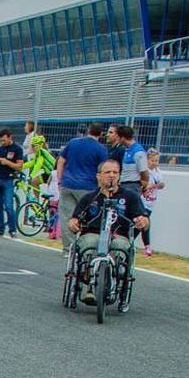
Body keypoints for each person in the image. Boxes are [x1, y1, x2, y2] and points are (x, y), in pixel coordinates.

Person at [68, 160, 150, 305]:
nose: (111, 176)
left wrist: (142, 221)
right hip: (93, 234)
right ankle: (90, 284)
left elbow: (142, 217)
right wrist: (73, 223)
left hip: (119, 235)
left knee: (120, 247)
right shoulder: (89, 197)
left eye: (115, 172)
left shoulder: (130, 197)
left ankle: (114, 280)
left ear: (119, 176)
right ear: (98, 176)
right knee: (89, 244)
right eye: (107, 172)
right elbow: (74, 219)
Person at [56, 122, 109, 256]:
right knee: (91, 217)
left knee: (67, 217)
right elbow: (103, 169)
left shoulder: (73, 143)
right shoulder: (101, 149)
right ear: (101, 134)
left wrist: (60, 180)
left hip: (68, 184)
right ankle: (87, 247)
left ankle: (68, 249)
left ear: (88, 131)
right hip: (88, 187)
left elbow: (61, 161)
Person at [0, 127, 24, 238]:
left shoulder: (17, 149)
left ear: (10, 138)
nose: (2, 143)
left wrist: (7, 162)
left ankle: (12, 229)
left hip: (8, 179)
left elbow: (19, 166)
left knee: (8, 205)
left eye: (4, 140)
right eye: (1, 141)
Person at [141, 148, 165, 256]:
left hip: (150, 202)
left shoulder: (158, 172)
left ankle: (141, 244)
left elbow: (161, 184)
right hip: (142, 201)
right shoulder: (144, 172)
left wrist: (156, 185)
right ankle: (147, 246)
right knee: (145, 222)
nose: (154, 163)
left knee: (141, 225)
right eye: (152, 160)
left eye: (156, 161)